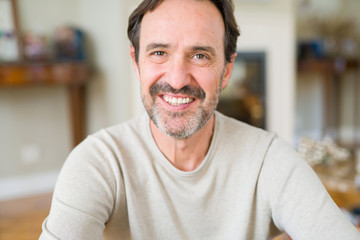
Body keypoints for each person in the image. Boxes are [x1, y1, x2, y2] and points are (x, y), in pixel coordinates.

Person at [40, 0, 360, 239]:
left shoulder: (269, 160)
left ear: (227, 71)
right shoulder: (99, 163)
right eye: (159, 53)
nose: (178, 79)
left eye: (200, 55)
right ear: (136, 63)